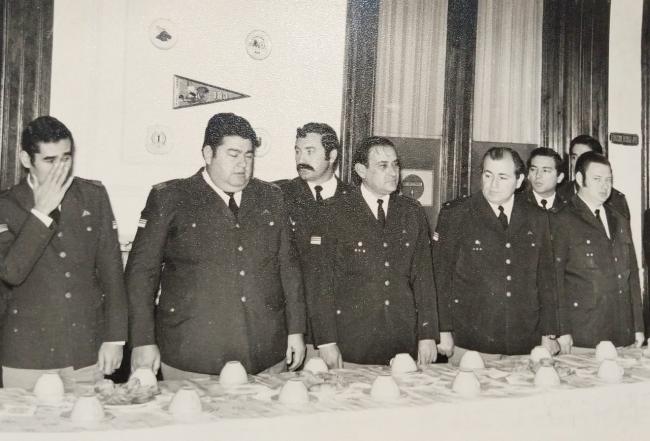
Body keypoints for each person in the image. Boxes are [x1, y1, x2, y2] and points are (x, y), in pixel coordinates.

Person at [126, 113, 306, 379]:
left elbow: (288, 269)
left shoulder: (271, 197)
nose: (243, 164)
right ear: (208, 154)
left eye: (248, 155)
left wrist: (295, 330)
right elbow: (141, 274)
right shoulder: (170, 198)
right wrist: (142, 341)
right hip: (193, 355)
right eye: (233, 154)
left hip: (265, 351)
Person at [0, 116, 127, 389]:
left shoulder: (93, 196)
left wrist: (115, 339)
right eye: (49, 160)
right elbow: (10, 273)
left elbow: (112, 272)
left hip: (83, 351)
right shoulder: (6, 205)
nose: (60, 169)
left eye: (66, 158)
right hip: (26, 356)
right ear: (26, 159)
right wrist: (40, 213)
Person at [312, 136, 440, 368]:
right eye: (383, 166)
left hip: (403, 342)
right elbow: (321, 283)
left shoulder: (412, 212)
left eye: (396, 164)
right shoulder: (334, 211)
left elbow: (423, 278)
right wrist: (326, 341)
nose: (393, 172)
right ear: (361, 170)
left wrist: (427, 333)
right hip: (353, 343)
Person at [433, 147, 558, 358]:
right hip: (472, 339)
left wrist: (549, 332)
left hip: (525, 338)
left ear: (519, 181)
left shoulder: (537, 217)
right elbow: (440, 277)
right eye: (488, 175)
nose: (493, 184)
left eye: (502, 177)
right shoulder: (456, 214)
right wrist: (442, 330)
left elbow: (545, 278)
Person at [552, 152, 644, 352]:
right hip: (584, 335)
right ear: (579, 179)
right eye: (597, 179)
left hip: (622, 332)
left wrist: (638, 326)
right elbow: (554, 280)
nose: (605, 186)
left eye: (608, 180)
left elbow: (632, 275)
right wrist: (562, 331)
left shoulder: (619, 219)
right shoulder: (562, 220)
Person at [277, 123, 352, 351]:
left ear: (332, 155)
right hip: (295, 330)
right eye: (297, 151)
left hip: (343, 329)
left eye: (310, 151)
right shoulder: (279, 196)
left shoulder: (354, 200)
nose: (301, 158)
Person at [558, 135, 629, 219]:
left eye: (585, 157)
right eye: (574, 157)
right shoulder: (559, 194)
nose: (578, 162)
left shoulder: (615, 199)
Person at [525, 147, 568, 213]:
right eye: (533, 169)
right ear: (528, 175)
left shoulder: (568, 208)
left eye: (545, 170)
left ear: (559, 177)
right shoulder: (516, 205)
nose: (538, 175)